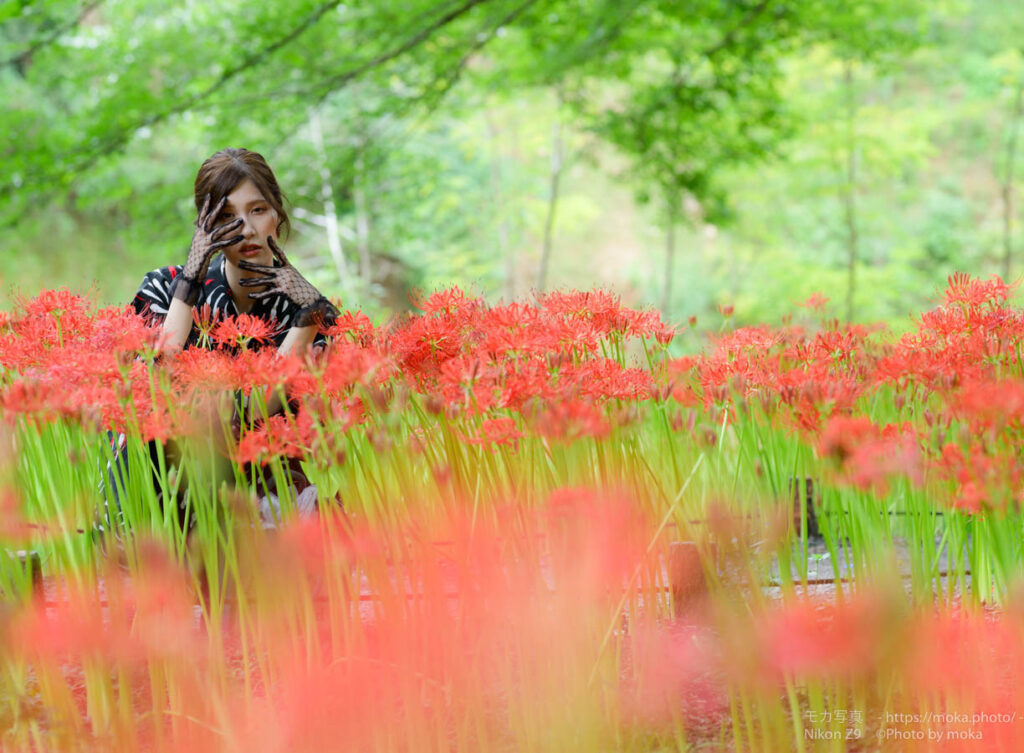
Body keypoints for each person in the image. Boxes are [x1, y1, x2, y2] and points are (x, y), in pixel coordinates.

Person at [106, 147, 338, 531]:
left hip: (257, 479)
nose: (245, 229)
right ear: (204, 225)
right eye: (226, 216)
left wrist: (308, 318)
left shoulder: (315, 313)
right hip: (162, 475)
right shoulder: (163, 286)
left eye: (257, 210)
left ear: (278, 214)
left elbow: (258, 414)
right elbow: (148, 388)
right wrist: (189, 282)